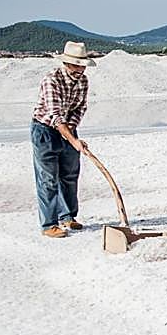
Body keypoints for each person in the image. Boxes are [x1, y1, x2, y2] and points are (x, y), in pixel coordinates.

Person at [31, 41, 97, 238]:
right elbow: (55, 116)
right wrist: (74, 140)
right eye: (76, 65)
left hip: (68, 128)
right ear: (66, 63)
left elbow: (80, 108)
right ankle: (49, 224)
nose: (80, 69)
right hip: (45, 130)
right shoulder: (51, 80)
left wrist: (71, 132)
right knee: (48, 179)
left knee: (69, 174)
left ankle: (67, 216)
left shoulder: (83, 81)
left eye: (82, 64)